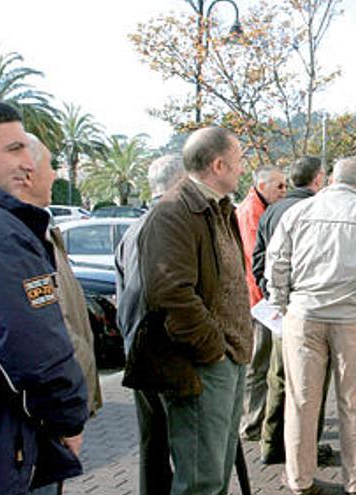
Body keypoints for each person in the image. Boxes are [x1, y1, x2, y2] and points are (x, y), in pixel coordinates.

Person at [124, 127, 252, 495]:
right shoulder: (174, 212)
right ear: (218, 164)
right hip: (205, 363)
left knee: (215, 473)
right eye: (239, 160)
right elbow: (170, 294)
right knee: (200, 480)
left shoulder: (217, 207)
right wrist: (213, 350)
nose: (242, 169)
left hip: (226, 359)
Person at [265, 158, 356, 494]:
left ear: (328, 180)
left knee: (301, 400)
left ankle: (299, 479)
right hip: (355, 318)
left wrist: (281, 302)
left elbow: (277, 261)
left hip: (304, 314)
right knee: (354, 402)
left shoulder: (296, 213)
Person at [0, 100, 88, 492]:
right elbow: (33, 348)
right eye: (13, 149)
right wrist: (67, 419)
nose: (28, 163)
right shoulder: (4, 235)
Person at [251, 156, 331, 465]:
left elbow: (258, 258)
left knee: (279, 377)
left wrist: (271, 292)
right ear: (318, 179)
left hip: (280, 306)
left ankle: (271, 444)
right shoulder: (317, 211)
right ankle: (305, 447)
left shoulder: (271, 211)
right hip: (307, 306)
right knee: (311, 382)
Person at [115, 154, 186, 495]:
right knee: (183, 446)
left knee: (153, 444)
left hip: (140, 348)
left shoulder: (133, 229)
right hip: (166, 353)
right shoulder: (169, 227)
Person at [237, 165, 287, 442]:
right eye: (279, 186)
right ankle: (253, 422)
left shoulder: (259, 209)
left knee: (264, 363)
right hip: (258, 302)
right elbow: (258, 259)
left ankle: (258, 418)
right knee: (259, 364)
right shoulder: (251, 213)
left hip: (261, 299)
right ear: (262, 185)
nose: (283, 191)